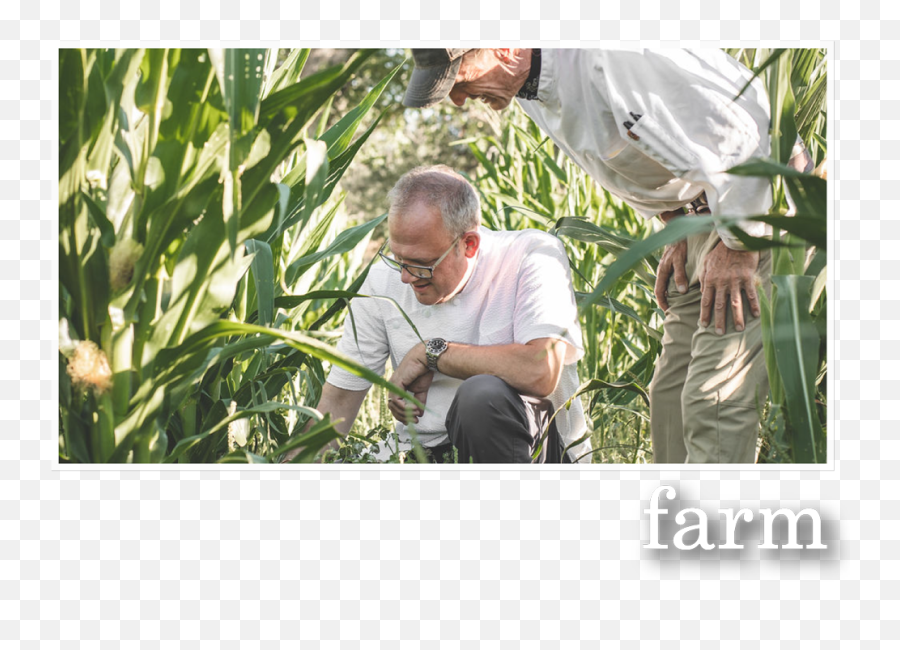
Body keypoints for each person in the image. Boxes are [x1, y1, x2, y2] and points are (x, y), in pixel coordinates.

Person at [402, 47, 790, 463]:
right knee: (670, 398)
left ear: (503, 48)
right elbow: (646, 152)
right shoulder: (533, 90)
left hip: (757, 208)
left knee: (711, 403)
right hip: (703, 220)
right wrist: (678, 220)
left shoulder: (613, 57)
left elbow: (740, 135)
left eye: (459, 79)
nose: (458, 99)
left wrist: (741, 246)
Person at [301, 165, 592, 463]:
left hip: (539, 455)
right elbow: (338, 402)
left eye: (421, 264)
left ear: (468, 244)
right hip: (426, 457)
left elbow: (540, 370)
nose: (405, 277)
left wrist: (431, 354)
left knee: (481, 396)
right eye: (397, 258)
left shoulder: (533, 256)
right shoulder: (379, 282)